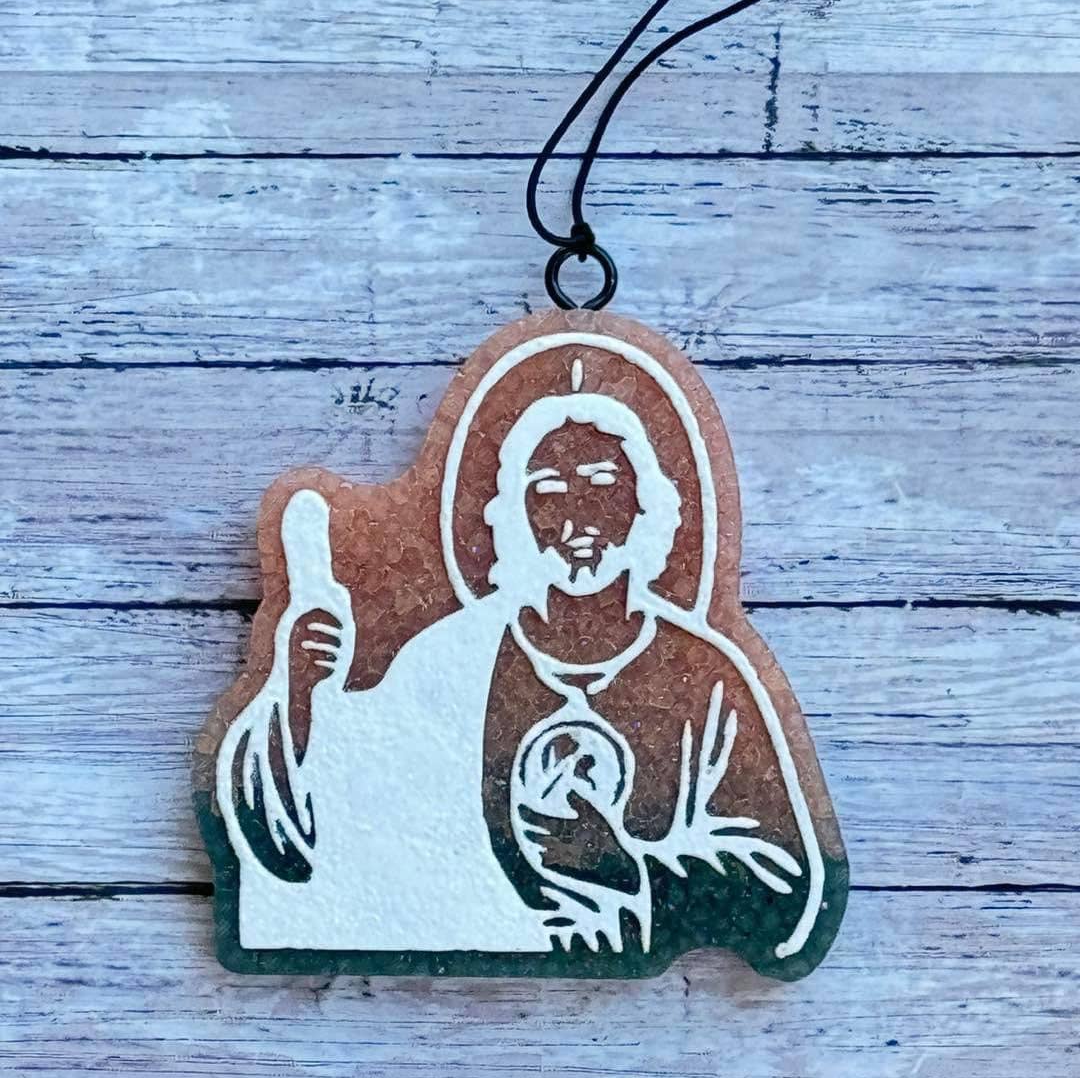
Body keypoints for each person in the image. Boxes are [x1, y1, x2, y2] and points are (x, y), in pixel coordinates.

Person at [214, 331, 840, 974]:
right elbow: (318, 833)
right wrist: (298, 696)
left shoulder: (705, 676)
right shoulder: (450, 659)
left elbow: (787, 890)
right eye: (547, 493)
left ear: (644, 504)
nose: (576, 522)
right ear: (512, 514)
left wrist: (625, 865)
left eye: (602, 486)